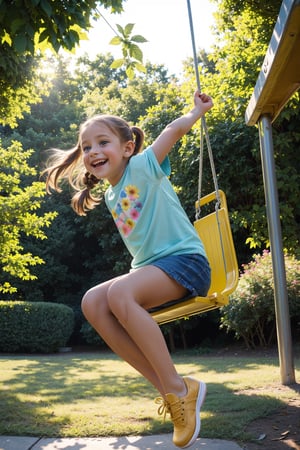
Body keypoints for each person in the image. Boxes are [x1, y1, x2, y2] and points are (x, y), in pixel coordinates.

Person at [43, 90, 213, 448]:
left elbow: (172, 130)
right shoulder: (108, 194)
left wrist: (196, 112)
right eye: (86, 146)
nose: (92, 152)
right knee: (92, 302)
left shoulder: (144, 166)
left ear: (127, 147)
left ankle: (178, 389)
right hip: (154, 269)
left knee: (120, 293)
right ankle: (174, 391)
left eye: (102, 142)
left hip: (186, 263)